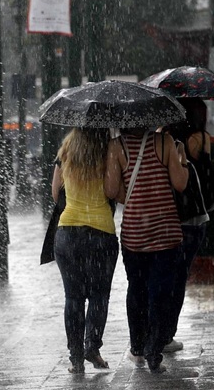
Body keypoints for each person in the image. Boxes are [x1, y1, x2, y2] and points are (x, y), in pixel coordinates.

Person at [104, 127, 188, 374]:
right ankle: (154, 348)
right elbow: (180, 183)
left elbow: (111, 190)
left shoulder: (116, 146)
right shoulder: (165, 142)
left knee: (137, 289)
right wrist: (181, 158)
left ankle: (138, 346)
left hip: (134, 234)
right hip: (165, 231)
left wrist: (133, 197)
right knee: (161, 292)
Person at [51, 128, 119, 374]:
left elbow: (55, 191)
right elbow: (112, 191)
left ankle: (76, 358)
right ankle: (92, 346)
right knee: (99, 296)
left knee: (73, 297)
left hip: (67, 233)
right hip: (100, 233)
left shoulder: (66, 150)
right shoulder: (108, 150)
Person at [164, 98, 212, 353]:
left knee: (165, 276)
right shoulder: (201, 138)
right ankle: (168, 331)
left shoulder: (167, 140)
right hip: (195, 215)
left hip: (170, 215)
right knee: (179, 278)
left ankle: (159, 330)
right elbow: (206, 173)